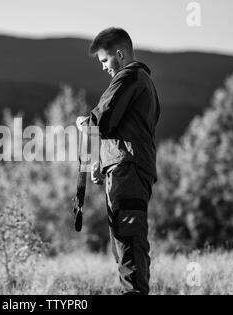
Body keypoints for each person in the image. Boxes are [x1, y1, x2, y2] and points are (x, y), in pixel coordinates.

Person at [76, 27, 160, 295]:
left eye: (104, 60)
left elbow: (104, 120)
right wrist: (103, 162)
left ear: (120, 55)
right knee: (126, 244)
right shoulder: (142, 81)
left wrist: (83, 123)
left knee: (129, 245)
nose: (104, 68)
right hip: (128, 169)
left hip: (128, 173)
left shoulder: (129, 77)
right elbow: (124, 130)